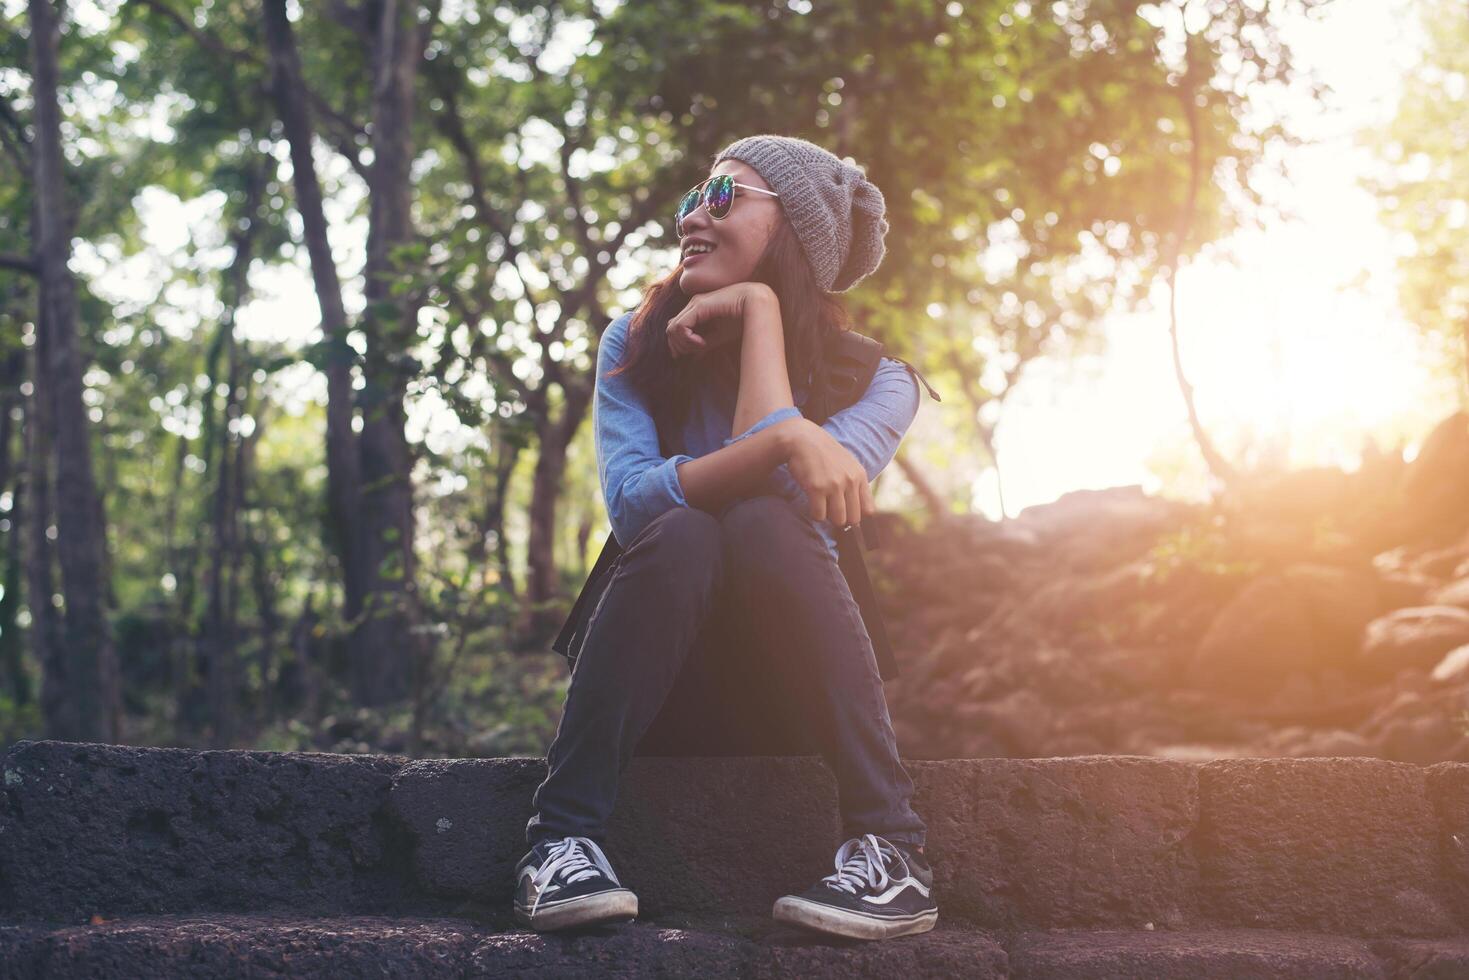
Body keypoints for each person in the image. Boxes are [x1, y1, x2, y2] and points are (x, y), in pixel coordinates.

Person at [514, 134, 936, 942]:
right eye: (690, 200)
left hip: (793, 704)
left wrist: (761, 314)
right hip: (654, 695)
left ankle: (892, 849)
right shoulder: (633, 345)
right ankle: (559, 841)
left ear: (795, 233)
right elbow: (634, 507)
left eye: (722, 197)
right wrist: (786, 439)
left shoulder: (880, 382)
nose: (689, 221)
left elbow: (779, 512)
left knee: (760, 520)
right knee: (682, 535)